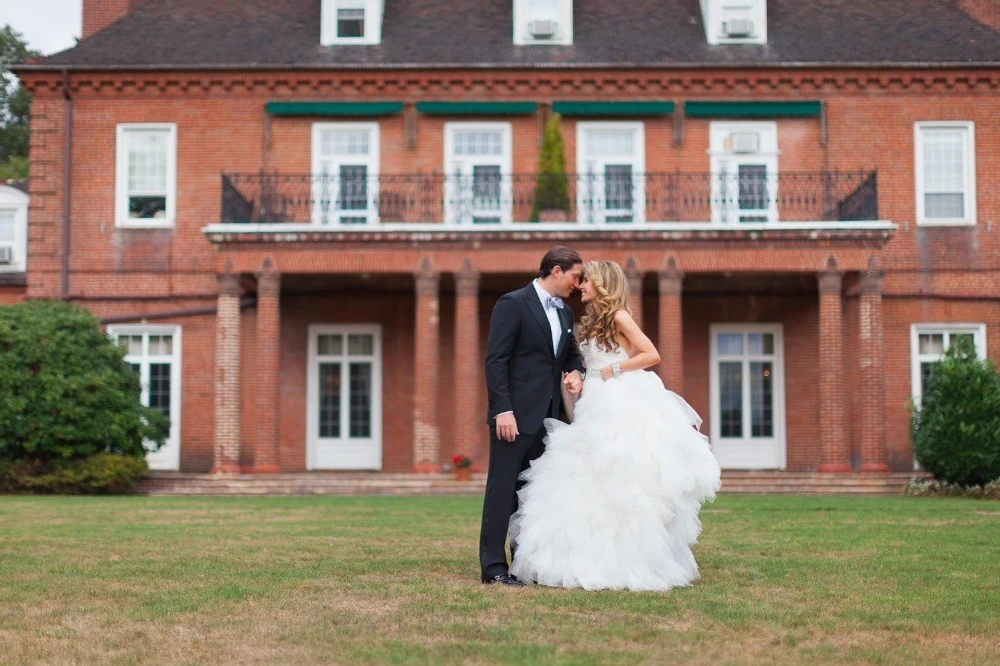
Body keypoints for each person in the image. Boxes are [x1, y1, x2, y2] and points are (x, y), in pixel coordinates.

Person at [508, 260, 721, 591]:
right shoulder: (592, 321)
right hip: (594, 398)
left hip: (618, 398)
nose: (581, 285)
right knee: (588, 476)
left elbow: (651, 354)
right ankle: (584, 554)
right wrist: (580, 377)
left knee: (619, 473)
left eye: (588, 281)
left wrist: (617, 369)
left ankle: (631, 558)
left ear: (603, 284)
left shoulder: (620, 316)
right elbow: (589, 364)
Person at [479, 246, 586, 586]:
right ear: (556, 271)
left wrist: (576, 373)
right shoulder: (512, 304)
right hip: (513, 417)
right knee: (503, 492)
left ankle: (525, 563)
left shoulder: (565, 314)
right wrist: (502, 410)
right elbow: (496, 360)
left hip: (549, 420)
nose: (577, 283)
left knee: (534, 494)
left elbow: (569, 356)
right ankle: (494, 567)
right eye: (574, 276)